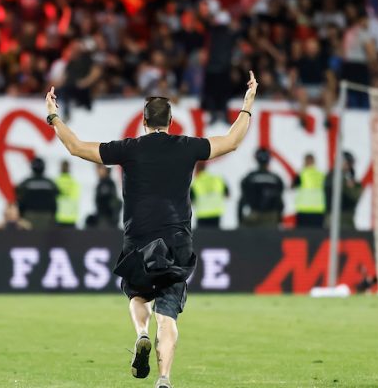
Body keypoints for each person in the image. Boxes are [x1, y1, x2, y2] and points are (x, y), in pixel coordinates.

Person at [44, 70, 257, 388]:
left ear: (143, 121)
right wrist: (247, 104)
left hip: (139, 237)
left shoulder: (128, 149)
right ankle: (164, 377)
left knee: (137, 293)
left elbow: (76, 147)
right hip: (177, 239)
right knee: (168, 312)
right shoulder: (187, 146)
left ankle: (142, 333)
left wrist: (53, 117)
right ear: (171, 122)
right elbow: (232, 141)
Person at [238, 148, 284, 228]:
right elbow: (280, 202)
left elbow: (242, 200)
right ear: (269, 160)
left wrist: (240, 220)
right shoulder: (276, 179)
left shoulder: (250, 177)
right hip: (271, 217)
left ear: (256, 159)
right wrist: (279, 218)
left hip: (254, 216)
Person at [15, 157, 58, 229]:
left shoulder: (26, 183)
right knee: (44, 236)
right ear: (44, 168)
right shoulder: (50, 183)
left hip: (29, 216)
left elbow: (19, 198)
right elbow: (56, 198)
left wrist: (21, 215)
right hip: (46, 216)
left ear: (32, 168)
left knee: (30, 236)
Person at [325, 151, 362, 230]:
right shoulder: (334, 176)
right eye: (348, 163)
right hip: (337, 216)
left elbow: (356, 194)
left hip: (347, 215)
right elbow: (352, 194)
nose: (350, 166)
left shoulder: (347, 177)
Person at [190, 162, 228, 228]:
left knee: (203, 234)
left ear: (197, 170)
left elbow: (190, 201)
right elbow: (227, 195)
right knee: (215, 234)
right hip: (216, 214)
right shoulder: (218, 179)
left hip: (202, 215)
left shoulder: (196, 183)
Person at [293, 153, 326, 228]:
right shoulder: (321, 174)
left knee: (302, 233)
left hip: (304, 210)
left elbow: (293, 186)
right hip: (318, 210)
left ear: (305, 161)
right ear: (314, 162)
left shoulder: (301, 174)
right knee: (317, 233)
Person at [55, 160, 81, 228]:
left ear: (60, 168)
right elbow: (76, 198)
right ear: (69, 168)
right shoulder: (74, 183)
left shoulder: (55, 182)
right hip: (71, 218)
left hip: (59, 218)